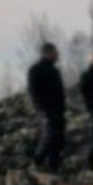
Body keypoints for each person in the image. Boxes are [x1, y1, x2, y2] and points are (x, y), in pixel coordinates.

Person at [26, 42, 65, 172]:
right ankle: (37, 161)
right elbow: (33, 91)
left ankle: (53, 165)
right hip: (46, 109)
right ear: (47, 53)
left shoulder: (54, 71)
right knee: (50, 134)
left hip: (58, 109)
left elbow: (59, 91)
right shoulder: (36, 69)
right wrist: (41, 108)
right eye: (55, 52)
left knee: (59, 136)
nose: (57, 55)